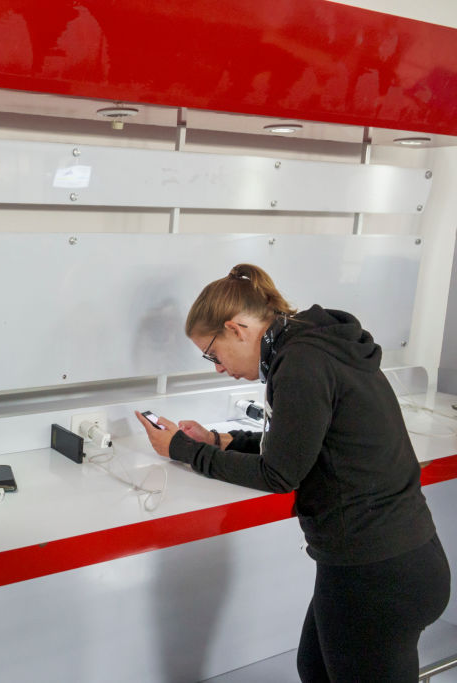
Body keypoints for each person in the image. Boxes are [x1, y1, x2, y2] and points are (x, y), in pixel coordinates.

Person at [135, 263, 450, 683]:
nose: (217, 366)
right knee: (315, 667)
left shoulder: (301, 362)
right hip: (393, 559)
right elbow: (300, 442)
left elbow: (279, 474)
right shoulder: (309, 345)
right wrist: (217, 440)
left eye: (212, 352)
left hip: (376, 573)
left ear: (237, 329)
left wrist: (183, 449)